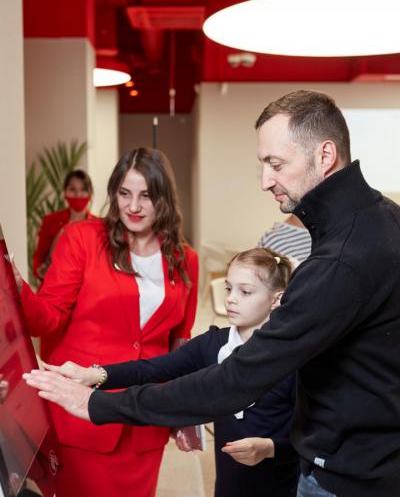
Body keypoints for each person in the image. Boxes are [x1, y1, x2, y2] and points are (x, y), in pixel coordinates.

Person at [23, 91, 400, 496]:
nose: (265, 181)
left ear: (325, 155)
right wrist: (100, 377)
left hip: (348, 475)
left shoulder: (338, 260)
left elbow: (235, 377)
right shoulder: (384, 219)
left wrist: (96, 403)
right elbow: (182, 359)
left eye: (276, 164)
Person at [36, 247, 299, 497]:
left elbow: (311, 437)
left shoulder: (293, 357)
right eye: (229, 288)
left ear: (277, 299)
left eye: (245, 292)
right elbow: (152, 369)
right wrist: (94, 374)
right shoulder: (213, 344)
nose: (231, 298)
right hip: (230, 481)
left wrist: (271, 448)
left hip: (281, 483)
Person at [20, 148, 199, 497]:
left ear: (164, 198)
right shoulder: (83, 238)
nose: (133, 206)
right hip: (83, 416)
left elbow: (181, 342)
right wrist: (16, 288)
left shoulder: (184, 258)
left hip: (144, 420)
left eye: (146, 195)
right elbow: (46, 319)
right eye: (124, 193)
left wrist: (184, 414)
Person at [32, 169, 94, 281]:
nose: (78, 194)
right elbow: (39, 258)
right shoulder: (50, 221)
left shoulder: (98, 225)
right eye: (72, 189)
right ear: (64, 192)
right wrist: (41, 269)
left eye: (83, 189)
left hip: (87, 288)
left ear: (90, 193)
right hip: (56, 285)